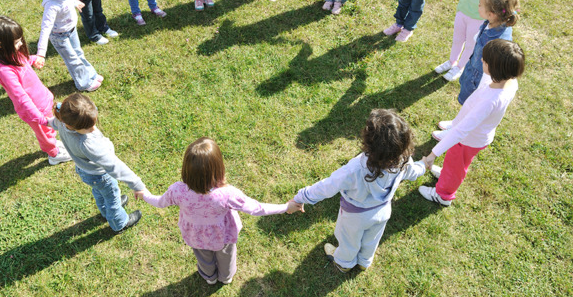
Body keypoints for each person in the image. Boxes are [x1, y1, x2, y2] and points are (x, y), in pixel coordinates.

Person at [136, 137, 295, 284]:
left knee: (204, 258)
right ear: (219, 169)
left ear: (186, 169)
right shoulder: (227, 194)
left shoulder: (177, 191)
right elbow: (257, 208)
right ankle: (226, 277)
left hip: (195, 236)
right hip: (223, 236)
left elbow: (159, 202)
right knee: (227, 256)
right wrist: (286, 207)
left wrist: (145, 195)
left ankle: (209, 277)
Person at [288, 109, 425, 272]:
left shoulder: (355, 168)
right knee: (371, 239)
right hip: (382, 211)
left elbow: (327, 186)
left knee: (349, 241)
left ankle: (344, 263)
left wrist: (300, 197)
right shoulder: (403, 159)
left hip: (354, 215)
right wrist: (423, 166)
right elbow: (413, 172)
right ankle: (364, 262)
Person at [419, 39, 525, 207]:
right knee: (454, 163)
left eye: (485, 60)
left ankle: (443, 195)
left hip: (468, 140)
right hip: (475, 137)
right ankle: (447, 175)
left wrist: (432, 155)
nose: (482, 60)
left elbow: (461, 131)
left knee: (456, 167)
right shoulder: (509, 82)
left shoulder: (489, 101)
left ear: (494, 68)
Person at [49, 93, 145, 232]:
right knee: (113, 199)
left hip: (85, 171)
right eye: (88, 127)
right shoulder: (88, 145)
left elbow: (53, 122)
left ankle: (105, 212)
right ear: (72, 125)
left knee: (99, 192)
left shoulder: (61, 121)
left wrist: (44, 121)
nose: (93, 129)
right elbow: (114, 165)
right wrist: (137, 185)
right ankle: (119, 223)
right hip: (101, 175)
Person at [0, 15, 71, 165]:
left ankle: (54, 143)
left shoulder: (10, 54)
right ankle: (54, 154)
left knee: (49, 131)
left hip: (43, 100)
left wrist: (32, 59)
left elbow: (22, 61)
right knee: (44, 134)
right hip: (34, 111)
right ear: (0, 44)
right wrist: (41, 119)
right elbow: (21, 98)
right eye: (16, 42)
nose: (20, 44)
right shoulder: (4, 70)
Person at [33, 0, 102, 92]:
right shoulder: (52, 5)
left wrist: (75, 3)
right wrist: (41, 54)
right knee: (73, 60)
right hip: (60, 37)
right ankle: (84, 84)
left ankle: (91, 75)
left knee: (79, 53)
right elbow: (45, 29)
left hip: (71, 30)